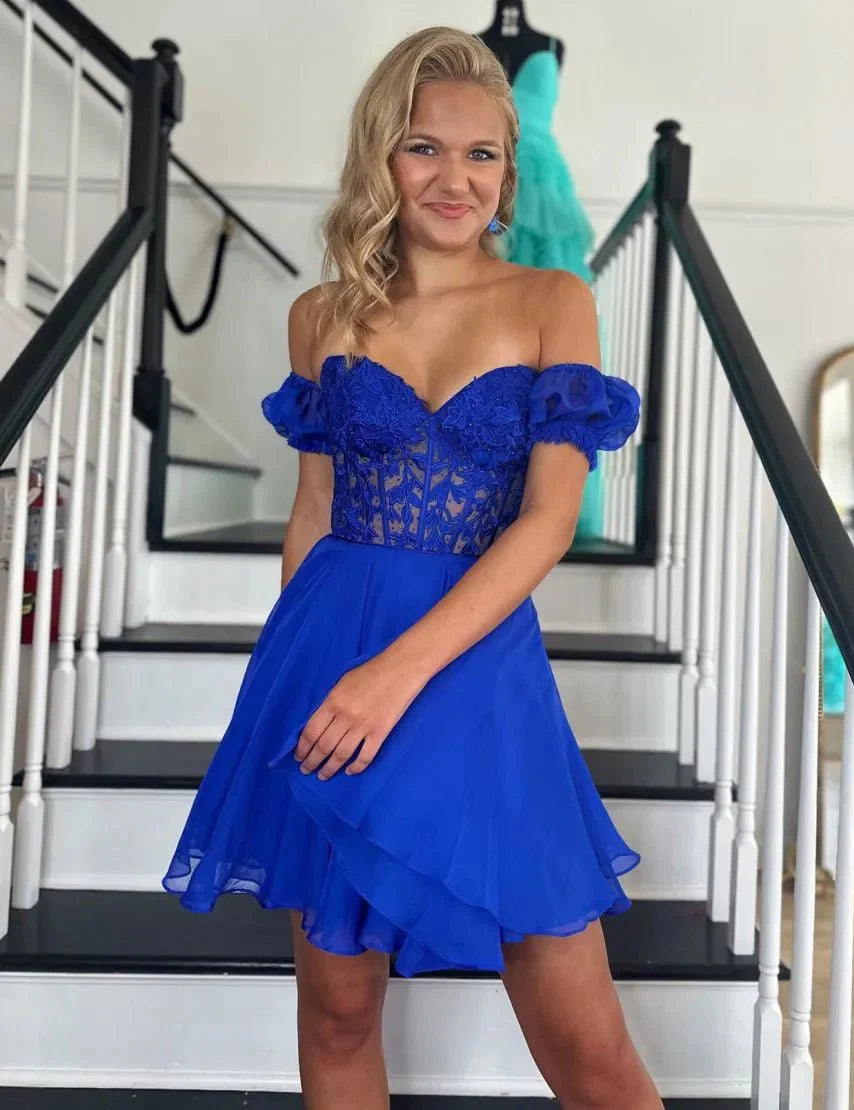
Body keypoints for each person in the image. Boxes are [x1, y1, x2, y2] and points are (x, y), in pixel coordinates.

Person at [163, 25, 662, 1109]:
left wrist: (393, 676)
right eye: (425, 148)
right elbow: (313, 512)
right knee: (338, 1010)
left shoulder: (551, 302)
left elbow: (548, 520)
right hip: (330, 650)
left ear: (507, 173)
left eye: (482, 155)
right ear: (381, 156)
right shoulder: (321, 317)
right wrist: (298, 677)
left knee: (585, 1042)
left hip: (472, 662)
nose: (454, 179)